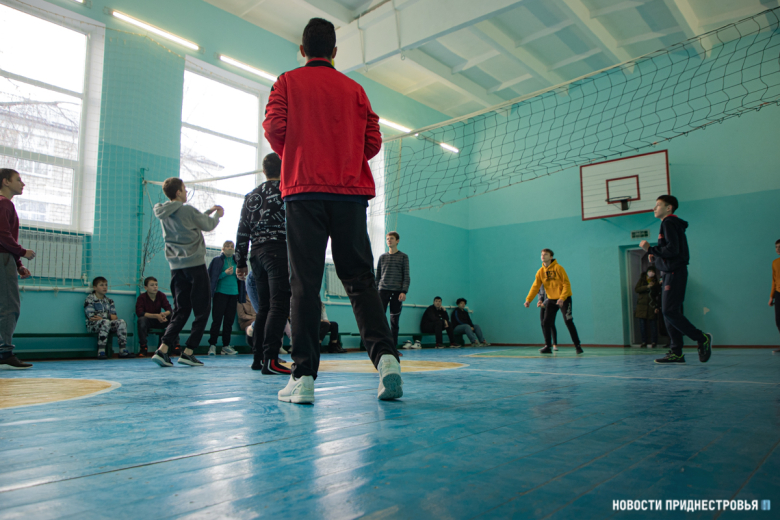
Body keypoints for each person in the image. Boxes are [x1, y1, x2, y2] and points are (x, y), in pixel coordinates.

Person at [263, 17, 402, 403]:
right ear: (335, 52)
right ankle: (387, 359)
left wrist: (300, 154)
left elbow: (273, 127)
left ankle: (303, 376)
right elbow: (373, 139)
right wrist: (345, 158)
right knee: (360, 280)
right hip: (349, 194)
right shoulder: (355, 89)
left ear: (302, 50)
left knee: (304, 284)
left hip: (303, 191)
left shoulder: (287, 81)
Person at [151, 177, 223, 368]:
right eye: (184, 189)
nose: (186, 192)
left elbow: (191, 221)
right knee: (202, 310)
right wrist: (217, 215)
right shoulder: (188, 210)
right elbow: (208, 225)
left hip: (176, 268)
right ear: (178, 192)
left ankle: (163, 349)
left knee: (181, 309)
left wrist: (207, 212)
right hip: (195, 266)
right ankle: (189, 351)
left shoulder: (162, 212)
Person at [235, 153, 291, 375]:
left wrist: (240, 261)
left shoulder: (251, 196)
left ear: (264, 170)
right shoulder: (286, 191)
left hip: (256, 254)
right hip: (277, 251)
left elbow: (242, 230)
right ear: (283, 168)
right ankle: (271, 360)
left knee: (265, 308)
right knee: (279, 306)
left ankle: (258, 358)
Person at [640, 195, 712, 364]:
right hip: (669, 273)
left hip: (674, 273)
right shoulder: (668, 223)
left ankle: (701, 338)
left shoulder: (669, 222)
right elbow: (670, 250)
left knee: (669, 311)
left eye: (658, 205)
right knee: (668, 314)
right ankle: (676, 352)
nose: (654, 208)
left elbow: (673, 250)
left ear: (669, 208)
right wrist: (655, 255)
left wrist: (650, 249)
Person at [0, 168, 34, 370]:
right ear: (5, 181)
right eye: (18, 180)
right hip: (3, 258)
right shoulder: (4, 203)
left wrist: (18, 265)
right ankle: (4, 353)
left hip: (6, 258)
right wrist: (22, 253)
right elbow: (3, 234)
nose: (22, 184)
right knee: (9, 306)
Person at [524, 249, 583, 354]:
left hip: (564, 299)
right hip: (551, 299)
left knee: (568, 321)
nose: (543, 256)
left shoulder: (558, 268)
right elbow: (535, 286)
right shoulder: (540, 271)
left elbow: (566, 284)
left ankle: (577, 346)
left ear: (551, 257)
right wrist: (528, 300)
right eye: (542, 254)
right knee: (546, 322)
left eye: (546, 254)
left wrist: (562, 298)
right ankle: (548, 346)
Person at [206, 241, 241, 356]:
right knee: (217, 320)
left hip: (233, 293)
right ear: (223, 248)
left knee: (229, 321)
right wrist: (225, 273)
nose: (230, 248)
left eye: (232, 246)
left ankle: (226, 346)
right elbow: (212, 277)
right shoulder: (217, 260)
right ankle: (212, 345)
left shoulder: (237, 261)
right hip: (220, 293)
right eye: (227, 246)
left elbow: (241, 277)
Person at [85, 277, 133, 359]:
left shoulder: (109, 301)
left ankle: (122, 350)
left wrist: (102, 316)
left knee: (121, 322)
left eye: (106, 285)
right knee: (106, 322)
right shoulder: (89, 300)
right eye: (101, 285)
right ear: (95, 287)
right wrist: (107, 316)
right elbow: (92, 316)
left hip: (107, 324)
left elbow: (114, 317)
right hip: (93, 325)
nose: (104, 287)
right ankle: (101, 351)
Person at [376, 232, 410, 348]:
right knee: (380, 320)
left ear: (397, 241)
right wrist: (375, 291)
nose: (389, 240)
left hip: (397, 292)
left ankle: (393, 347)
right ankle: (380, 346)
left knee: (394, 321)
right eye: (387, 239)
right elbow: (378, 276)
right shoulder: (382, 257)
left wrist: (403, 291)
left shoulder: (403, 257)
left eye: (391, 238)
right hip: (382, 291)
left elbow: (406, 275)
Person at [135, 276, 177, 357]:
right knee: (141, 320)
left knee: (172, 317)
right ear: (146, 287)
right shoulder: (141, 298)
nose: (155, 287)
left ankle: (175, 345)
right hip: (149, 321)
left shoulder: (161, 295)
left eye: (156, 285)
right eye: (152, 285)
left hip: (160, 320)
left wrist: (164, 315)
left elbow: (169, 309)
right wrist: (156, 316)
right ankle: (143, 347)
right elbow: (140, 313)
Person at [634, 265, 661, 348]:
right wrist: (647, 287)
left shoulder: (656, 282)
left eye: (653, 272)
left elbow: (658, 294)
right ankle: (644, 341)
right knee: (642, 325)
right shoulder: (642, 280)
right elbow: (637, 289)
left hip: (651, 306)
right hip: (641, 306)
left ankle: (654, 342)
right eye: (650, 271)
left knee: (653, 325)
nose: (651, 273)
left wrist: (657, 306)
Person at [538, 286, 557, 351]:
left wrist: (544, 303)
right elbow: (539, 292)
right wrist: (540, 300)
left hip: (551, 303)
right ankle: (547, 344)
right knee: (543, 323)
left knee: (551, 323)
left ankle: (554, 344)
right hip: (543, 304)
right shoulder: (539, 283)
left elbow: (551, 294)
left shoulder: (549, 282)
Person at [772, 239, 780, 354]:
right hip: (778, 293)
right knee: (778, 320)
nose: (778, 249)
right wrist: (771, 296)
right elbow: (774, 280)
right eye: (776, 247)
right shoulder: (775, 262)